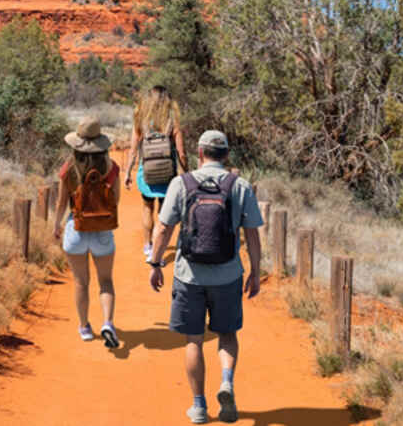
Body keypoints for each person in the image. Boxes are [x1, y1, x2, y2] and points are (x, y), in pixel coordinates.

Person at [147, 130, 261, 424]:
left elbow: (163, 229)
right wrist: (256, 272)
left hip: (189, 276)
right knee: (227, 335)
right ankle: (227, 382)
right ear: (226, 155)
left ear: (199, 153)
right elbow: (252, 234)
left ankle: (198, 406)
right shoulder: (240, 186)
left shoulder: (181, 183)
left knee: (193, 340)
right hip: (228, 275)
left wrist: (156, 263)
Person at [53, 116, 122, 349]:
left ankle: (84, 327)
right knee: (106, 281)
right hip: (102, 230)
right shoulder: (111, 168)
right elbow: (116, 200)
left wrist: (56, 226)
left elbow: (61, 203)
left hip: (76, 228)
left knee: (81, 282)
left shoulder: (69, 169)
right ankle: (108, 323)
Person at [123, 84, 187, 261]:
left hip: (147, 173)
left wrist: (127, 172)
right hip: (168, 174)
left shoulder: (142, 121)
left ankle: (147, 247)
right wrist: (186, 173)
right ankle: (158, 247)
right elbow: (181, 152)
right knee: (162, 212)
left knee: (147, 208)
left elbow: (133, 150)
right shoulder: (172, 122)